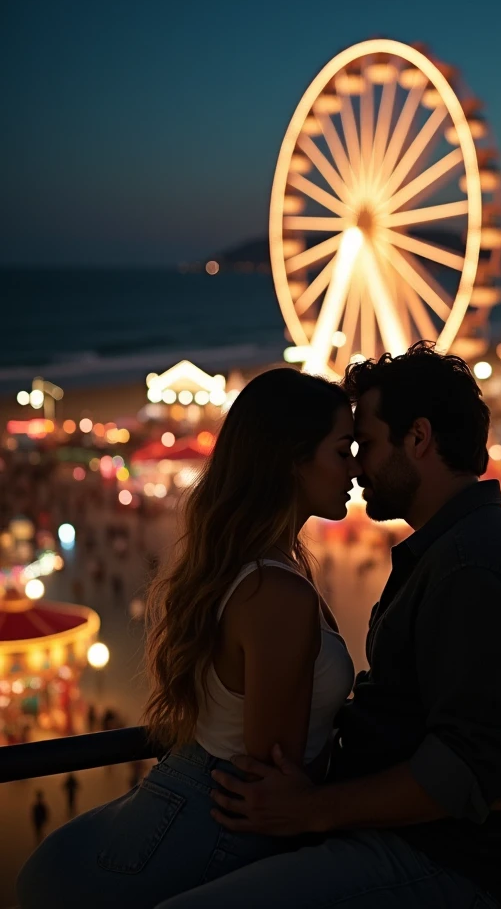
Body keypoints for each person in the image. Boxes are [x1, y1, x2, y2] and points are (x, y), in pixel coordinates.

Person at [155, 343, 501, 909]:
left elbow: (466, 766)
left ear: (419, 439)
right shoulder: (485, 543)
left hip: (457, 864)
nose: (356, 465)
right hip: (439, 841)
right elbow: (472, 741)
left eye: (367, 445)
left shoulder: (470, 569)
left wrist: (311, 808)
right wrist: (491, 761)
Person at [16, 371, 365, 906]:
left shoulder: (248, 568)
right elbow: (276, 776)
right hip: (222, 819)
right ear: (292, 460)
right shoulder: (276, 592)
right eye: (344, 450)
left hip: (189, 787)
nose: (356, 467)